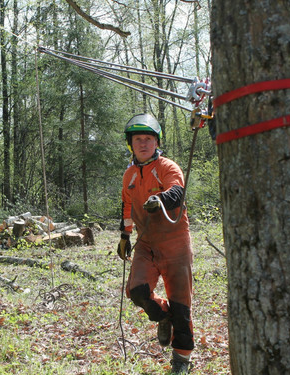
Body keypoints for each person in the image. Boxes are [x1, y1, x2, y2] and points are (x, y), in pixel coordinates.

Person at [117, 113, 195, 374]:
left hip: (175, 243)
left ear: (156, 142)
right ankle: (163, 316)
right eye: (138, 139)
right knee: (137, 292)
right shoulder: (129, 174)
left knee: (181, 304)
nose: (143, 143)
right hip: (146, 243)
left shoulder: (167, 167)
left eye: (148, 139)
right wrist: (125, 235)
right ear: (131, 143)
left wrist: (161, 200)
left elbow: (177, 191)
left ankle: (181, 360)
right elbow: (127, 206)